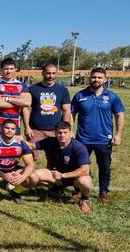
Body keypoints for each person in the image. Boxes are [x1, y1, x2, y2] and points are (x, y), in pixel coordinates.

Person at [71, 67, 125, 203]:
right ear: (90, 78)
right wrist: (70, 130)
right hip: (83, 139)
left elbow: (119, 115)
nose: (96, 80)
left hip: (104, 140)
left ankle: (103, 192)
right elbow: (71, 114)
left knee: (104, 167)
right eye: (94, 77)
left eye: (100, 77)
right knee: (80, 166)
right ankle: (78, 189)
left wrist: (118, 134)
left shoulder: (112, 96)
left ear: (105, 79)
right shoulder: (80, 95)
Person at [32, 121, 92, 213]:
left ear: (70, 133)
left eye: (65, 132)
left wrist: (63, 175)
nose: (62, 135)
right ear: (55, 133)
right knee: (35, 175)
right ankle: (55, 190)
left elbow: (85, 170)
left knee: (85, 182)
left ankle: (84, 199)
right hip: (58, 177)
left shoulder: (79, 147)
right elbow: (32, 146)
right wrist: (18, 140)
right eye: (59, 133)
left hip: (75, 177)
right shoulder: (50, 142)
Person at [22, 64, 72, 159]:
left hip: (55, 131)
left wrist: (65, 130)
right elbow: (26, 108)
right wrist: (27, 127)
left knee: (56, 159)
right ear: (43, 73)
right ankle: (29, 174)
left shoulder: (63, 90)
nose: (51, 76)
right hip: (35, 130)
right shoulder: (32, 89)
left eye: (53, 73)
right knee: (31, 158)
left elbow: (66, 110)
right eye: (48, 73)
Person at [0, 119, 39, 204]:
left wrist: (22, 177)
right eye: (7, 128)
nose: (10, 130)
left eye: (12, 129)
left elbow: (31, 165)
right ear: (1, 129)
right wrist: (4, 176)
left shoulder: (21, 144)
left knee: (34, 178)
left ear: (15, 131)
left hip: (13, 169)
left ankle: (15, 192)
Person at [0, 58, 31, 140]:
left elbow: (27, 102)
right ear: (1, 69)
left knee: (13, 150)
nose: (9, 71)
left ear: (15, 69)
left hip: (15, 125)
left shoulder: (22, 85)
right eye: (6, 69)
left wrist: (7, 99)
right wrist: (18, 103)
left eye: (11, 69)